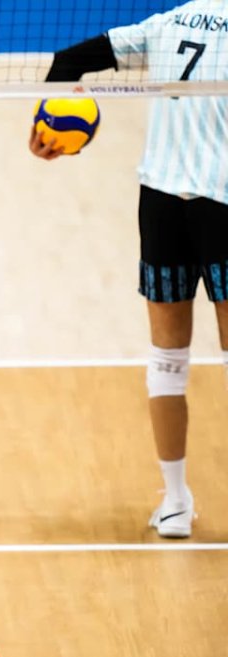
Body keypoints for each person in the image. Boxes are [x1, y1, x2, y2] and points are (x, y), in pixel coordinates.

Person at [30, 0, 228, 539]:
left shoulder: (166, 24)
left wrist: (46, 125)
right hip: (222, 203)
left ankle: (176, 502)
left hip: (161, 201)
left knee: (167, 358)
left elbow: (69, 60)